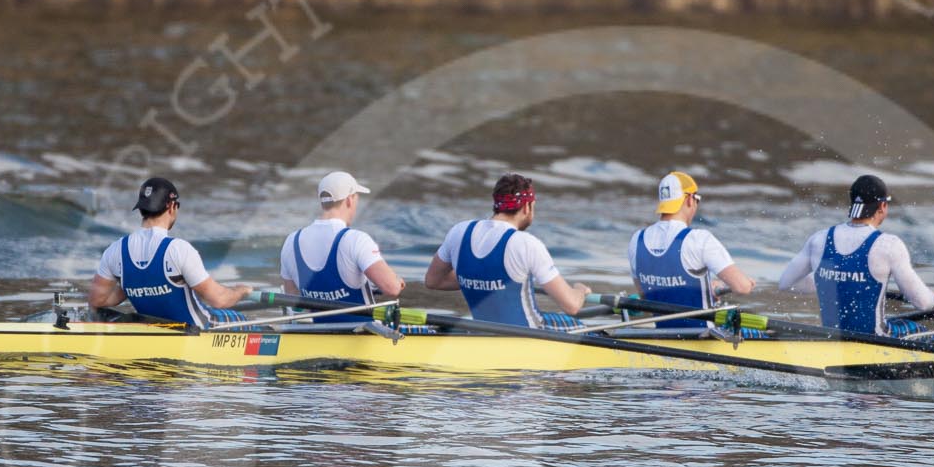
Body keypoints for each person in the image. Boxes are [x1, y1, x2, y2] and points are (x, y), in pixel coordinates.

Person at [776, 174, 934, 336]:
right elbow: (923, 303)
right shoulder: (889, 245)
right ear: (882, 206)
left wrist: (831, 281)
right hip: (876, 339)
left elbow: (785, 283)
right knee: (922, 332)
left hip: (831, 337)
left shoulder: (819, 239)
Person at [424, 173, 591, 329]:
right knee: (584, 328)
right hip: (530, 334)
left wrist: (479, 279)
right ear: (527, 207)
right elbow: (572, 306)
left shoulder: (459, 231)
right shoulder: (526, 243)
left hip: (484, 331)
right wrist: (580, 291)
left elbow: (433, 281)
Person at [88, 177, 252, 326]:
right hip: (200, 329)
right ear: (171, 206)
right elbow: (219, 300)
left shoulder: (114, 251)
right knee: (247, 322)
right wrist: (240, 291)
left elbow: (97, 300)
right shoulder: (178, 249)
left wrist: (135, 284)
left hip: (155, 330)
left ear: (141, 209)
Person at [628, 171, 755, 331]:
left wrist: (706, 289)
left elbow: (646, 295)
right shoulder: (699, 239)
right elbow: (742, 288)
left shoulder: (637, 240)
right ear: (689, 199)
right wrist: (740, 284)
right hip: (701, 339)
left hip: (665, 338)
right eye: (697, 199)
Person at [279, 170, 404, 324]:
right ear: (350, 200)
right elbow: (392, 289)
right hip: (361, 336)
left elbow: (294, 301)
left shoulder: (291, 242)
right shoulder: (356, 240)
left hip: (319, 333)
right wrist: (396, 280)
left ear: (322, 202)